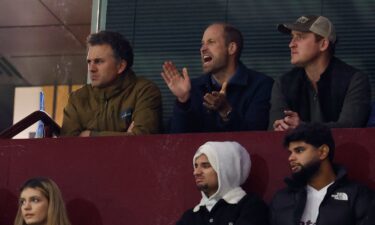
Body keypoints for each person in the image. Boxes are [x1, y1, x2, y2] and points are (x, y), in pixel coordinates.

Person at [161, 23, 273, 133]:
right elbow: (177, 142)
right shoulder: (193, 88)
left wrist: (226, 111)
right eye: (202, 44)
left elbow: (256, 138)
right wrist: (183, 100)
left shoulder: (260, 85)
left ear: (231, 48)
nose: (203, 49)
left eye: (211, 42)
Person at [270, 15, 371, 131]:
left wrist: (302, 128)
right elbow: (274, 132)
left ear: (323, 44)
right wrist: (281, 127)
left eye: (300, 37)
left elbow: (349, 130)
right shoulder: (284, 83)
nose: (291, 44)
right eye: (292, 37)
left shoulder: (354, 80)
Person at [61, 31, 162, 137]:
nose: (91, 69)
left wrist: (90, 135)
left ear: (120, 66)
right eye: (89, 62)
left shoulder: (144, 91)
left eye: (98, 61)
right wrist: (125, 136)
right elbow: (67, 145)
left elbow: (141, 140)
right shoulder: (78, 98)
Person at [269, 123, 373, 225]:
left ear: (323, 152)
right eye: (290, 152)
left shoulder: (358, 196)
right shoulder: (281, 199)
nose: (291, 158)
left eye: (299, 150)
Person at [176, 141, 268, 225]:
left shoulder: (251, 207)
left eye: (205, 166)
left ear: (226, 169)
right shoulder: (190, 216)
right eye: (195, 166)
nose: (196, 172)